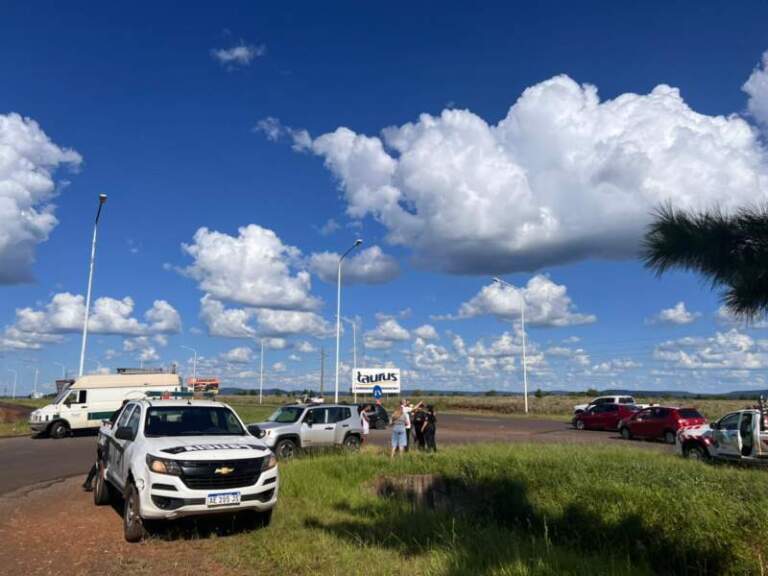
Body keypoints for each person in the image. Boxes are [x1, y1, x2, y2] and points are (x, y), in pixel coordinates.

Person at [83, 400, 128, 491]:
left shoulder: (116, 413)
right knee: (103, 463)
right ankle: (93, 482)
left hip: (104, 441)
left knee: (99, 462)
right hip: (109, 442)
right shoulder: (122, 415)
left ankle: (88, 481)